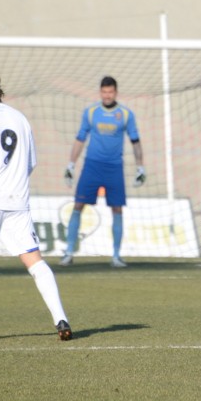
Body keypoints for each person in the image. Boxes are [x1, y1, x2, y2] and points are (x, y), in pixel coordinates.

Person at [0, 67, 72, 340]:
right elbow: (31, 163)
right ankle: (61, 319)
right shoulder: (19, 118)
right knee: (36, 263)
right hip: (18, 201)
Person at [61, 76, 144, 268]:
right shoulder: (90, 113)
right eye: (104, 92)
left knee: (117, 209)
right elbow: (80, 138)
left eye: (111, 92)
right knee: (78, 205)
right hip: (92, 166)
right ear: (100, 92)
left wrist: (140, 167)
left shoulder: (125, 114)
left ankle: (116, 256)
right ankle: (68, 252)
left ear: (116, 93)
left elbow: (135, 141)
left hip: (114, 167)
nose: (107, 95)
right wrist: (71, 165)